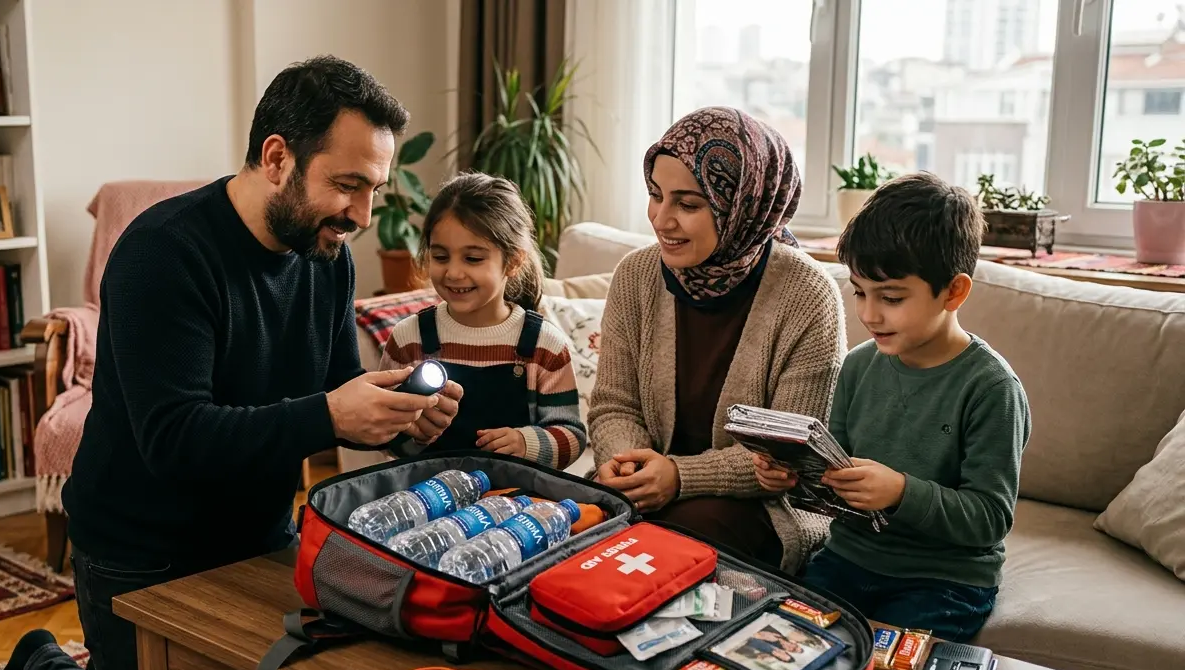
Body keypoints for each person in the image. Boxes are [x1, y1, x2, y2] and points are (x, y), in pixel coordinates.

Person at [0, 56, 462, 670]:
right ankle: (41, 667)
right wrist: (331, 414)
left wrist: (396, 416)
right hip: (138, 554)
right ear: (277, 158)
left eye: (374, 191)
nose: (361, 217)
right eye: (348, 185)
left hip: (258, 539)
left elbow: (330, 390)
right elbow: (174, 439)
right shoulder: (161, 254)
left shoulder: (324, 256)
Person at [754, 172, 1031, 642]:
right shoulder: (859, 366)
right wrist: (792, 475)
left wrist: (901, 492)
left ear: (954, 292)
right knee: (777, 643)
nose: (869, 314)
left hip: (943, 581)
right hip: (846, 560)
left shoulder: (991, 388)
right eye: (860, 291)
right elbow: (836, 475)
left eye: (892, 297)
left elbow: (989, 519)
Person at [588, 106, 846, 574]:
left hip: (756, 506)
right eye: (655, 195)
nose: (661, 220)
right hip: (646, 488)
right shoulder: (635, 275)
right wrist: (626, 466)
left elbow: (787, 457)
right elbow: (613, 405)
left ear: (743, 206)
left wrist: (680, 476)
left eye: (687, 204)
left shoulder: (809, 296)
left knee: (667, 546)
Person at [378, 172, 587, 469]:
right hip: (426, 500)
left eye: (472, 259)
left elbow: (572, 436)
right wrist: (414, 433)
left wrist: (526, 443)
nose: (453, 273)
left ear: (513, 261)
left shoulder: (544, 344)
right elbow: (384, 436)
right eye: (440, 257)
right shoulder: (409, 337)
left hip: (514, 504)